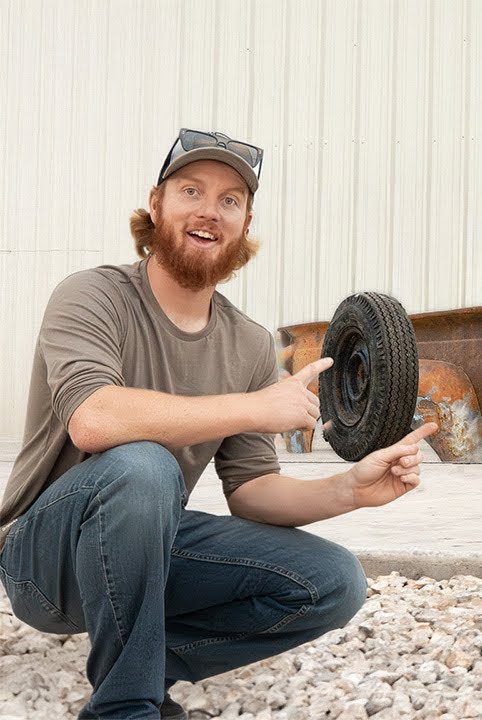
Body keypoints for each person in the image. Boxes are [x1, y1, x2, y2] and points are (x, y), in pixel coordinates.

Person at [0, 129, 436, 719]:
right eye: (191, 191)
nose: (210, 211)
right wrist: (255, 407)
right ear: (156, 205)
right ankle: (126, 706)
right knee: (143, 463)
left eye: (230, 200)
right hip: (42, 562)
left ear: (245, 223)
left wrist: (349, 490)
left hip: (148, 542)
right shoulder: (92, 295)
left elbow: (252, 492)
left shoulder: (250, 344)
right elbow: (93, 419)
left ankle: (142, 659)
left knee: (333, 580)